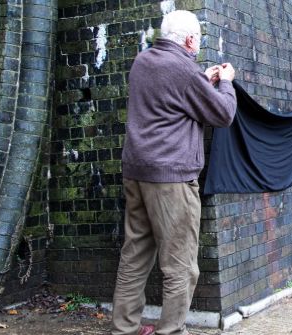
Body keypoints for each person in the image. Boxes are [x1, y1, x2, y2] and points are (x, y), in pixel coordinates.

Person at [112, 10, 237, 335]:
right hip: (170, 179)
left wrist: (203, 82)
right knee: (180, 264)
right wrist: (225, 82)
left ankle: (122, 329)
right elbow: (223, 114)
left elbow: (171, 100)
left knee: (135, 255)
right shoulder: (183, 69)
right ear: (190, 39)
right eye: (198, 39)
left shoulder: (143, 61)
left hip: (136, 171)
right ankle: (172, 331)